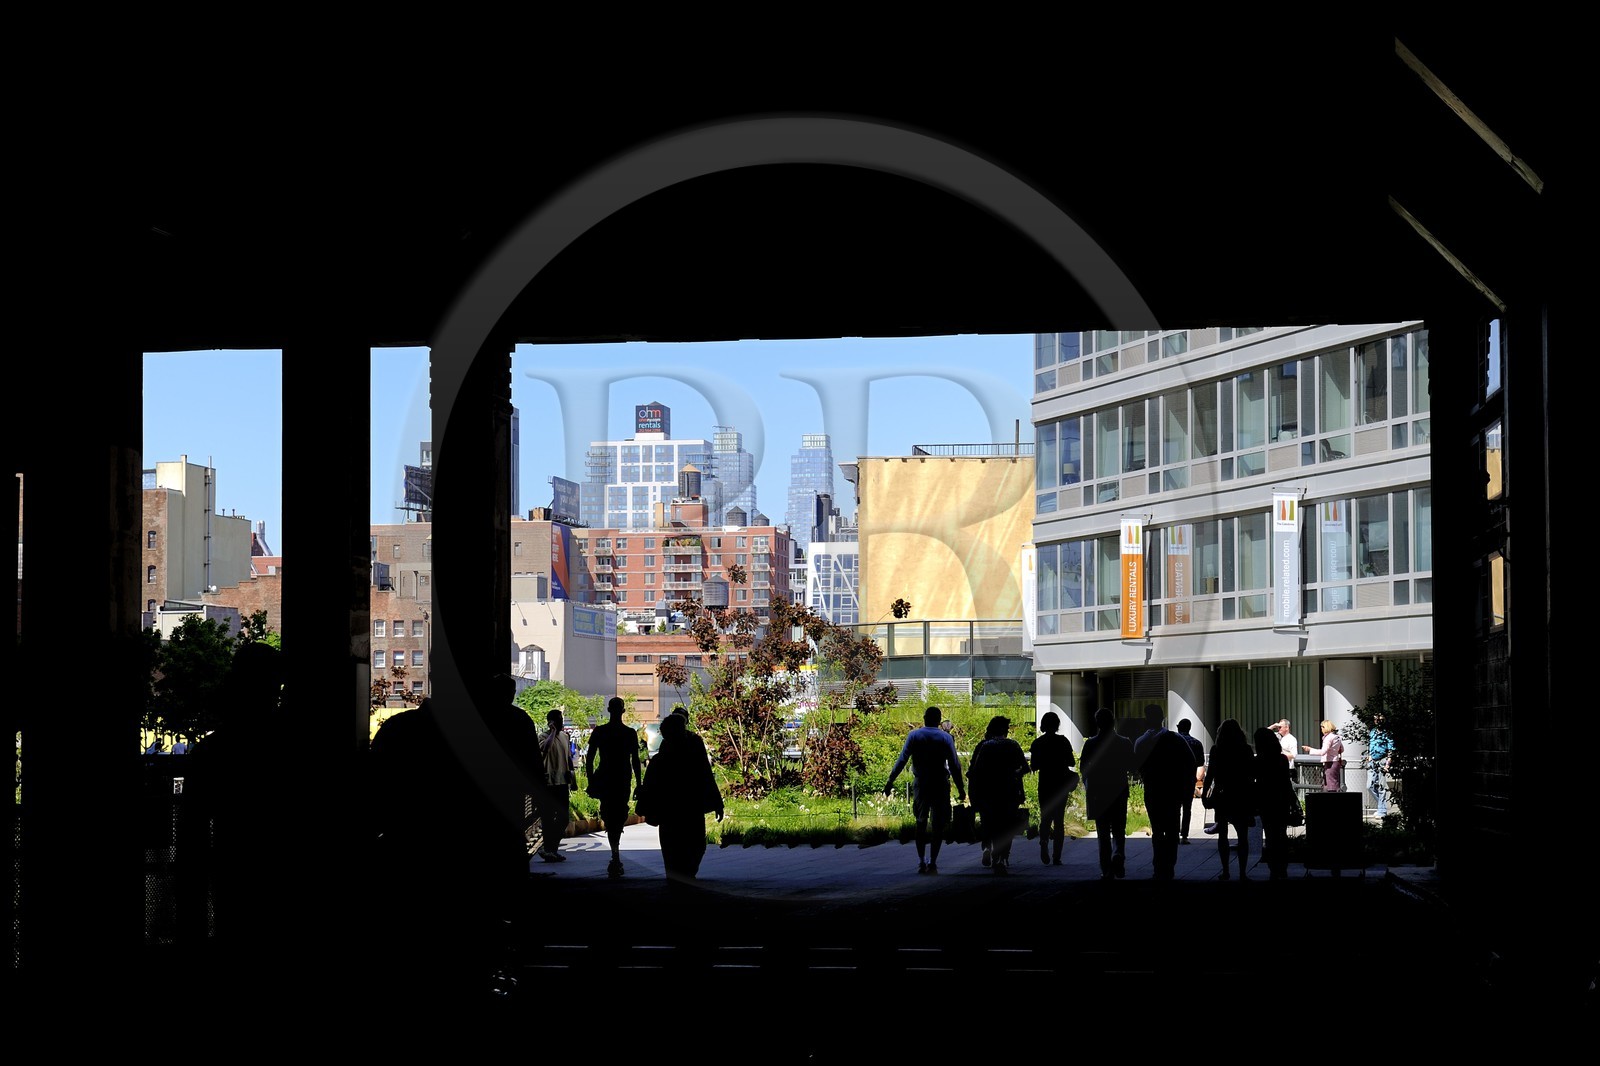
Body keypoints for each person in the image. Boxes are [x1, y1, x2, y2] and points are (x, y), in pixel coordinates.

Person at [635, 709, 724, 883]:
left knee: (673, 845)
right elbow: (706, 773)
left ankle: (676, 874)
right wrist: (716, 802)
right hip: (690, 807)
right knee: (694, 843)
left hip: (673, 810)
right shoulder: (691, 750)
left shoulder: (661, 759)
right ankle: (685, 873)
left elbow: (650, 785)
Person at [883, 705, 967, 874]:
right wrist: (961, 788)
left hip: (921, 783)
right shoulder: (945, 738)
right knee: (938, 825)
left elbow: (902, 760)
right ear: (939, 720)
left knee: (920, 822)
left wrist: (890, 781)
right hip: (940, 784)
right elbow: (954, 765)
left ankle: (921, 860)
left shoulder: (914, 735)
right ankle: (933, 861)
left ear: (924, 718)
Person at [1132, 703, 1195, 880]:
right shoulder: (1176, 739)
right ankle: (1170, 866)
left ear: (1146, 718)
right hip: (1173, 791)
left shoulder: (1141, 742)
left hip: (1153, 790)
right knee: (1174, 829)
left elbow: (1137, 766)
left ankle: (1158, 865)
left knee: (1157, 830)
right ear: (1162, 718)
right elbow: (1190, 761)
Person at [586, 696, 643, 877]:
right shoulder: (629, 733)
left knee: (610, 814)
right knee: (618, 814)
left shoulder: (600, 732)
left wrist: (591, 779)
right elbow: (635, 761)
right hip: (622, 778)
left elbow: (590, 758)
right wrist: (639, 783)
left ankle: (615, 851)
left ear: (609, 710)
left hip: (606, 777)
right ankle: (615, 851)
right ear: (623, 711)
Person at [967, 715, 1028, 874]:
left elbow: (973, 772)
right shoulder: (1013, 745)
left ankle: (987, 847)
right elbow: (1025, 768)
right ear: (1003, 729)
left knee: (989, 821)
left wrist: (973, 794)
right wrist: (1015, 774)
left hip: (987, 790)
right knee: (1007, 825)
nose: (1008, 731)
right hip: (1009, 790)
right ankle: (1000, 858)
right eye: (1007, 728)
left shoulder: (984, 746)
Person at [1080, 707, 1133, 880]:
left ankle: (1106, 869)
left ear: (1098, 723)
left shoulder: (1090, 744)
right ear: (1113, 722)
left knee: (1102, 832)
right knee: (1119, 829)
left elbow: (1084, 769)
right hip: (1118, 790)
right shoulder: (1124, 742)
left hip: (1098, 792)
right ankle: (1118, 854)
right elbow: (1132, 767)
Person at [1204, 718, 1255, 880]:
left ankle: (1225, 871)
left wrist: (1205, 793)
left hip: (1222, 794)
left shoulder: (1217, 749)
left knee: (1222, 834)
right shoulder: (1245, 749)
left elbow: (1210, 773)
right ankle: (1242, 873)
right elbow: (1251, 774)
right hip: (1241, 794)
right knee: (1243, 836)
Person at [1029, 711, 1076, 865]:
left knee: (1045, 817)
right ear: (1057, 725)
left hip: (1045, 783)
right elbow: (1072, 762)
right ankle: (1057, 855)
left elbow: (1034, 765)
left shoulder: (1037, 743)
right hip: (1060, 783)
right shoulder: (1063, 742)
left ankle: (1043, 842)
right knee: (1059, 819)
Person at [1253, 725, 1296, 879]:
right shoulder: (1282, 759)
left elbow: (1254, 781)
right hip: (1281, 799)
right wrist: (1292, 801)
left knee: (1270, 834)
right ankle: (1282, 866)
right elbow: (1286, 783)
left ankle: (1274, 868)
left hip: (1265, 799)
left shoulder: (1258, 761)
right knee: (1281, 833)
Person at [537, 707, 576, 862]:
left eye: (561, 718)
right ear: (551, 722)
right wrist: (552, 732)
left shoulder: (565, 737)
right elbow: (545, 749)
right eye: (558, 719)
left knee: (563, 819)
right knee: (547, 819)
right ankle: (549, 850)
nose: (561, 721)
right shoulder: (542, 736)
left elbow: (568, 760)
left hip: (562, 783)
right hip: (548, 784)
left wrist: (573, 780)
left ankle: (551, 848)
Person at [1176, 718, 1205, 843]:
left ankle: (1174, 834)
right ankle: (1185, 836)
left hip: (1174, 779)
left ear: (1178, 728)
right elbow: (1200, 762)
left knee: (1175, 808)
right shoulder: (1196, 743)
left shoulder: (1173, 741)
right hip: (1189, 779)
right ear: (1189, 728)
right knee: (1187, 809)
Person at [1303, 719, 1345, 793]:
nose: (1321, 729)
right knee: (1333, 784)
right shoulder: (1337, 737)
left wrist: (1310, 749)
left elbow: (1323, 752)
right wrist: (1334, 751)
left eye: (1322, 727)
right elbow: (1341, 749)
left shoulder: (1328, 738)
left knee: (1331, 786)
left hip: (1330, 763)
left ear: (1325, 727)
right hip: (1336, 762)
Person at [1367, 716, 1393, 819]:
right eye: (1377, 720)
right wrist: (1369, 757)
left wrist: (1387, 764)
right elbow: (1370, 745)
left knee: (1381, 787)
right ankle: (1381, 807)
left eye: (1381, 720)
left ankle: (1382, 811)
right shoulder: (1372, 731)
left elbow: (1391, 749)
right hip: (1372, 761)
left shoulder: (1387, 733)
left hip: (1382, 760)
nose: (1379, 722)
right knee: (1369, 786)